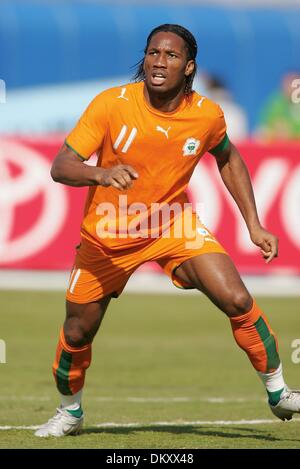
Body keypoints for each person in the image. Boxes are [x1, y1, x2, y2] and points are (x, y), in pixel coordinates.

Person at [35, 24, 300, 437]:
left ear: (189, 67)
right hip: (106, 237)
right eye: (153, 52)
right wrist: (101, 174)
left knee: (236, 297)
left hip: (170, 226)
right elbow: (60, 166)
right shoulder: (111, 104)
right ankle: (70, 411)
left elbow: (229, 158)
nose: (159, 61)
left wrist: (254, 223)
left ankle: (279, 390)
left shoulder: (206, 115)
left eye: (171, 55)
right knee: (77, 330)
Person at [256, 72, 300, 141]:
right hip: (276, 146)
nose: (291, 87)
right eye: (288, 83)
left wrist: (291, 134)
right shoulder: (275, 102)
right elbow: (264, 127)